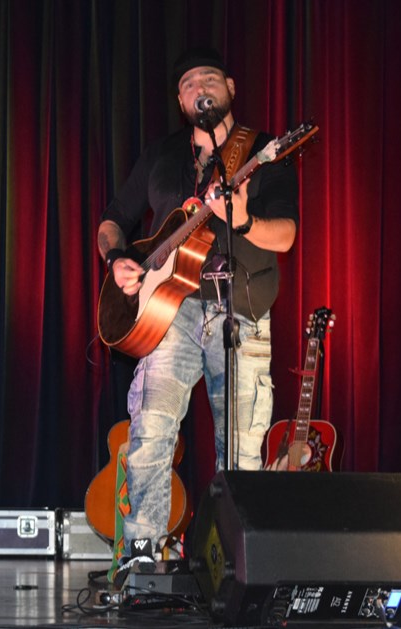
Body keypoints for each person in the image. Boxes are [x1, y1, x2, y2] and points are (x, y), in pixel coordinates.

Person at [97, 47, 299, 575]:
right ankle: (139, 559)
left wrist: (244, 219)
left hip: (243, 309)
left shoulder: (262, 152)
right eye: (188, 83)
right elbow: (113, 218)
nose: (200, 87)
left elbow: (286, 236)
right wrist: (119, 259)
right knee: (151, 430)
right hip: (168, 312)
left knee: (241, 449)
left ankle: (235, 565)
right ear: (181, 101)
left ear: (230, 87)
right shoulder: (161, 155)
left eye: (209, 78)